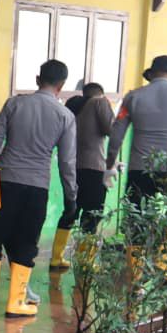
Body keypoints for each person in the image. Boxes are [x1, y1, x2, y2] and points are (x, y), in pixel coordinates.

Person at [0, 60, 76, 317]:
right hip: (38, 188)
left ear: (37, 79)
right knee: (26, 241)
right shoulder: (65, 116)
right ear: (62, 85)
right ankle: (17, 303)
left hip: (6, 184)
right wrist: (71, 196)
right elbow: (67, 162)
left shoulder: (15, 104)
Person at [106, 55, 167, 203]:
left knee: (138, 215)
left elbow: (116, 135)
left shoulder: (132, 97)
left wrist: (109, 165)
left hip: (140, 167)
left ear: (151, 75)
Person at [51, 81, 114, 267]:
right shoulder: (99, 103)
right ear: (99, 94)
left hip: (72, 168)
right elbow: (111, 129)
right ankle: (85, 262)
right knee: (92, 216)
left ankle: (56, 258)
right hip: (94, 168)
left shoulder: (72, 106)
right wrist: (109, 106)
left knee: (70, 212)